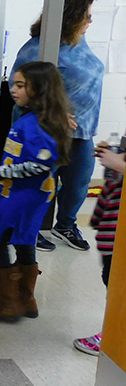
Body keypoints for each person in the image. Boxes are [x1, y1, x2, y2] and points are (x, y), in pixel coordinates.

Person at [0, 62, 72, 321]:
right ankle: (25, 299)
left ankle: (8, 301)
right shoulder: (31, 119)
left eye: (20, 85)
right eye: (13, 84)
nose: (13, 89)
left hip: (22, 197)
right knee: (25, 240)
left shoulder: (39, 124)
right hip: (21, 195)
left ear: (39, 89)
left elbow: (40, 166)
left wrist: (1, 174)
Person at [12, 0, 104, 252]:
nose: (91, 21)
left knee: (78, 184)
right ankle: (25, 229)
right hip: (46, 130)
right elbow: (18, 88)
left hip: (82, 131)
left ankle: (65, 225)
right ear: (71, 18)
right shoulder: (38, 48)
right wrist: (54, 111)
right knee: (38, 184)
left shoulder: (79, 42)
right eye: (87, 16)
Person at [74, 132, 124, 355]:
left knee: (118, 285)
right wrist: (114, 154)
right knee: (112, 280)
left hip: (119, 229)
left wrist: (119, 164)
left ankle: (114, 335)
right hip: (112, 225)